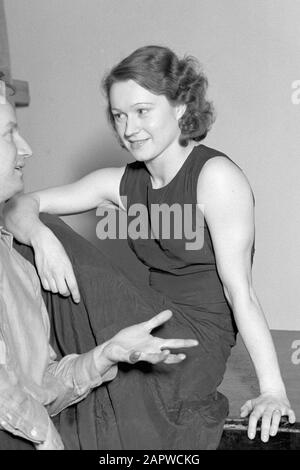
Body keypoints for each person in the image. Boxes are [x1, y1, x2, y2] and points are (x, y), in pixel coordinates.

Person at [4, 45, 296, 449]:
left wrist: (273, 390)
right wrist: (39, 237)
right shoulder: (124, 183)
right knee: (36, 229)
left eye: (142, 111)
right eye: (119, 116)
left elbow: (240, 292)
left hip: (193, 342)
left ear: (180, 107)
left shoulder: (215, 177)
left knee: (50, 232)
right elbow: (16, 205)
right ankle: (23, 379)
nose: (129, 129)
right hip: (148, 322)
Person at [0, 74, 198, 450]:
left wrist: (104, 355)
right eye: (10, 134)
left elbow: (40, 388)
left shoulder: (18, 268)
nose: (27, 149)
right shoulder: (117, 183)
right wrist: (44, 435)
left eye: (142, 111)